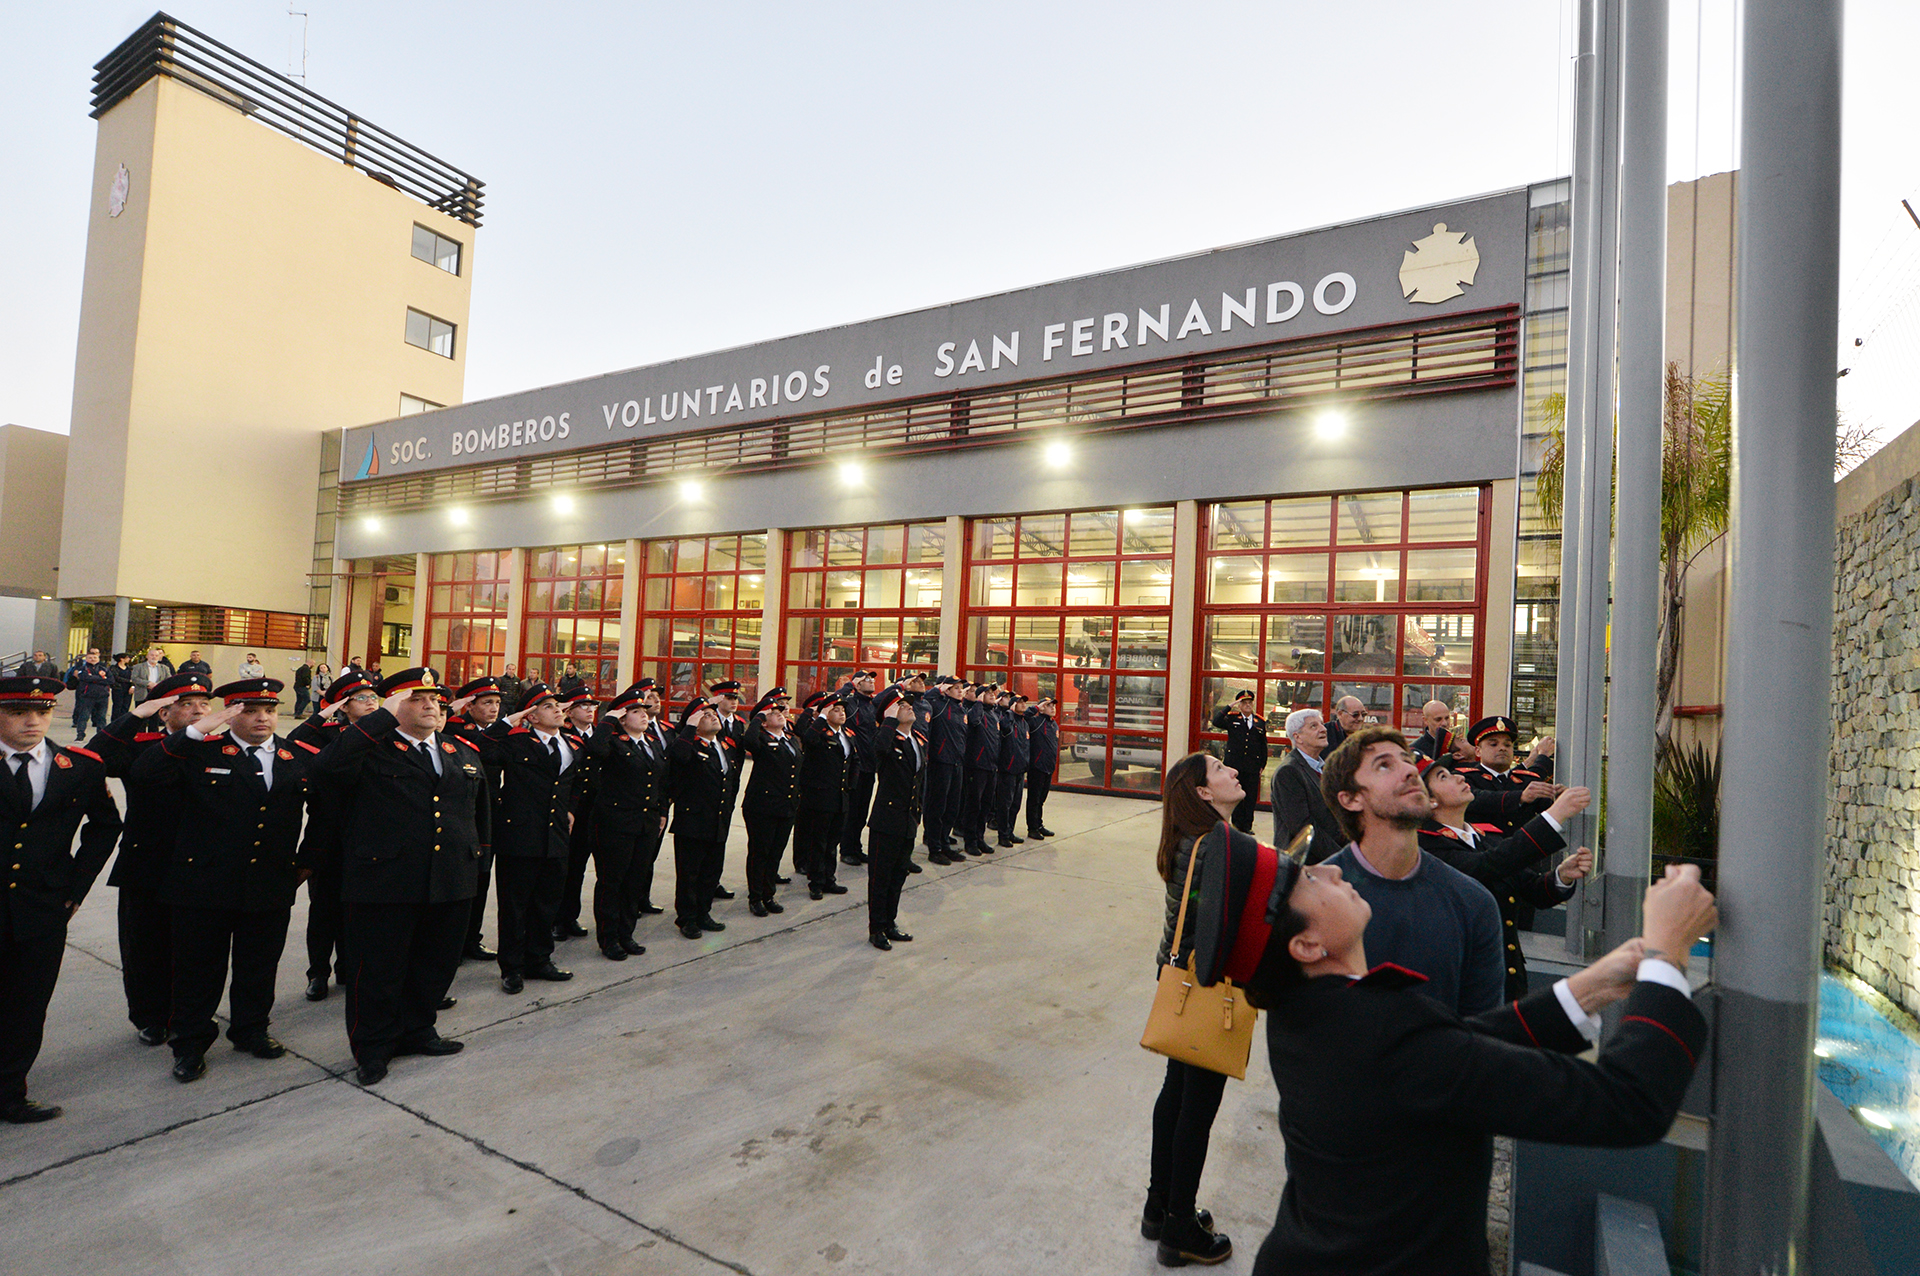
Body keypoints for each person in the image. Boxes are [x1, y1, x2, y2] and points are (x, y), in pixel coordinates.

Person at [1185, 821, 1715, 1275]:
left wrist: (1593, 985)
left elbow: (1455, 1051)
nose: (1332, 869)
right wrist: (1667, 954)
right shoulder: (1382, 1034)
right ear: (1306, 945)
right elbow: (1625, 1103)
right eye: (1307, 877)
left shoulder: (1310, 1011)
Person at [133, 677, 315, 1083]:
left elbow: (325, 807)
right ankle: (190, 1044)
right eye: (250, 710)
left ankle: (251, 1030)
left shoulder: (294, 755)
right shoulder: (200, 751)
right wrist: (198, 729)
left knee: (259, 965)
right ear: (231, 713)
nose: (262, 718)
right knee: (198, 969)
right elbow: (145, 771)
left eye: (269, 710)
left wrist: (308, 859)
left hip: (268, 882)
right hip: (203, 882)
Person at [312, 668, 487, 1084]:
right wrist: (380, 719)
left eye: (435, 699)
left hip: (448, 877)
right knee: (378, 970)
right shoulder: (368, 748)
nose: (431, 705)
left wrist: (477, 860)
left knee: (434, 963)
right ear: (393, 706)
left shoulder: (458, 749)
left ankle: (417, 1029)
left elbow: (478, 813)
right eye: (417, 698)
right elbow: (323, 770)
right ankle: (372, 1046)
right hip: (386, 880)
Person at [0, 675, 123, 1123]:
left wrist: (74, 888)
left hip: (43, 907)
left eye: (43, 712)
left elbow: (106, 825)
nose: (33, 722)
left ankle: (11, 1092)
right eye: (18, 713)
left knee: (28, 1005)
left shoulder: (80, 765)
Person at [1318, 726, 1504, 1017]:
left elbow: (1482, 1032)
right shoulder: (1314, 899)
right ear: (1351, 799)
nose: (1408, 771)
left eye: (1406, 760)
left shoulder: (1473, 902)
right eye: (1384, 765)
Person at [1140, 752, 1239, 1267]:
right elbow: (1218, 926)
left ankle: (1160, 1206)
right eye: (1221, 770)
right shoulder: (1220, 844)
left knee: (1175, 1095)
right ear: (1203, 792)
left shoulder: (1191, 837)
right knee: (1195, 1108)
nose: (1235, 772)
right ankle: (1179, 1227)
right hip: (1205, 986)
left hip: (1176, 977)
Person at [85, 671, 215, 1046]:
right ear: (164, 714)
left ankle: (185, 1014)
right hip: (148, 861)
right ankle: (150, 1016)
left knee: (193, 947)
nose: (196, 711)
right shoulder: (142, 747)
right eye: (185, 705)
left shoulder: (217, 746)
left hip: (200, 862)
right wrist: (134, 715)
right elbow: (98, 756)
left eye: (203, 704)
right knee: (145, 945)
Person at [1420, 760, 1594, 1000]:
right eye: (1443, 777)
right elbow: (1485, 867)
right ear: (1430, 801)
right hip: (1467, 987)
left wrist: (1561, 876)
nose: (1459, 777)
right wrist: (1554, 816)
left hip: (1508, 977)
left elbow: (1532, 890)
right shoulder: (1427, 847)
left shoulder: (1482, 836)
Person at [483, 682, 580, 992]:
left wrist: (572, 808)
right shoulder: (516, 743)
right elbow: (482, 748)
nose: (559, 711)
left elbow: (576, 782)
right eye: (550, 707)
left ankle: (540, 959)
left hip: (555, 836)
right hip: (520, 835)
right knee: (515, 906)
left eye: (560, 706)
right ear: (532, 716)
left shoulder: (571, 744)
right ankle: (512, 967)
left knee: (546, 903)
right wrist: (506, 722)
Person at [289, 670, 379, 1000]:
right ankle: (318, 973)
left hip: (368, 837)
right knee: (323, 909)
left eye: (374, 698)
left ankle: (348, 968)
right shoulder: (326, 736)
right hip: (327, 836)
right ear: (344, 705)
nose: (371, 703)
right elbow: (292, 744)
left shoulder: (383, 736)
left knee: (358, 910)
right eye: (361, 699)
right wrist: (322, 713)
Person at [581, 684, 666, 960]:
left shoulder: (651, 742)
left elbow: (660, 781)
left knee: (634, 880)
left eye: (644, 711)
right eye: (636, 711)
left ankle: (626, 933)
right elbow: (594, 748)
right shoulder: (613, 743)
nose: (644, 715)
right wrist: (607, 718)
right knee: (612, 881)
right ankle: (608, 938)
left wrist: (660, 810)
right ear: (622, 717)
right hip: (616, 822)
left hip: (646, 822)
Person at [442, 676, 507, 962]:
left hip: (489, 811)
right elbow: (480, 746)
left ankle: (472, 938)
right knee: (459, 881)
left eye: (497, 703)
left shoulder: (499, 730)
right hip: (461, 812)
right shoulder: (455, 727)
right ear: (470, 705)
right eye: (487, 703)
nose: (494, 709)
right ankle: (452, 943)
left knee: (482, 877)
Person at [669, 699, 737, 939]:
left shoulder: (723, 745)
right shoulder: (688, 745)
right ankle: (687, 918)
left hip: (718, 818)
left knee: (711, 870)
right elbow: (678, 757)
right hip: (693, 820)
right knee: (690, 873)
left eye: (713, 713)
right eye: (705, 715)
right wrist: (688, 728)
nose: (713, 717)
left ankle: (703, 912)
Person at [865, 685, 925, 950]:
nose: (909, 707)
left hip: (908, 819)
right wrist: (889, 720)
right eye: (902, 705)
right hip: (886, 819)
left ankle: (890, 922)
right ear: (889, 713)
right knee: (881, 877)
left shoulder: (917, 739)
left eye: (909, 705)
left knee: (898, 875)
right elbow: (877, 750)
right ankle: (876, 927)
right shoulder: (886, 739)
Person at [794, 691, 855, 898]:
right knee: (818, 842)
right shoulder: (818, 732)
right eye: (835, 710)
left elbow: (853, 762)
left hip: (840, 797)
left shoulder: (846, 734)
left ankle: (830, 878)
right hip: (821, 796)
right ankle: (816, 882)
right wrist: (821, 716)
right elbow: (808, 739)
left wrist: (850, 787)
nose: (841, 714)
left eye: (843, 710)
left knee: (832, 842)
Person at [1456, 715, 1561, 834]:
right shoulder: (1464, 777)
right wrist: (1520, 797)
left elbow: (1550, 814)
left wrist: (1558, 797)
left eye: (1507, 745)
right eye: (1493, 744)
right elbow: (1477, 799)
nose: (1502, 749)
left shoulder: (1525, 780)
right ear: (1478, 751)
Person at [553, 688, 601, 942]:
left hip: (597, 810)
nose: (590, 710)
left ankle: (571, 916)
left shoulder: (601, 736)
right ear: (569, 712)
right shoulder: (564, 734)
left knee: (581, 867)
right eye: (584, 706)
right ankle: (559, 918)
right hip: (573, 810)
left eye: (592, 706)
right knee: (566, 867)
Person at [1269, 708, 1345, 864]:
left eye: (1322, 724)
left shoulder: (1323, 768)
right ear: (1298, 737)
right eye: (1313, 726)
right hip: (1306, 865)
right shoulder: (1289, 772)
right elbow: (1304, 829)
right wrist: (1342, 858)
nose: (1323, 729)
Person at [919, 677, 967, 863]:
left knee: (952, 807)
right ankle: (935, 848)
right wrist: (939, 688)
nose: (959, 691)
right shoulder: (936, 705)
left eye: (961, 688)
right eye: (955, 688)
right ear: (946, 690)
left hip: (957, 763)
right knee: (936, 807)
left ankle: (945, 843)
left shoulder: (960, 709)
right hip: (941, 763)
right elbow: (927, 697)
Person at [1209, 690, 1268, 833]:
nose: (1247, 705)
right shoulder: (1232, 719)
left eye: (1249, 703)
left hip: (1252, 766)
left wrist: (1262, 765)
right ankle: (1237, 825)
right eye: (1244, 703)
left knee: (1250, 797)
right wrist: (1229, 706)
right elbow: (1216, 721)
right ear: (1240, 706)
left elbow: (1263, 745)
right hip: (1234, 765)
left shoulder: (1259, 721)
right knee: (1235, 796)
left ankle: (1247, 826)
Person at [838, 670, 879, 865]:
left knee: (862, 811)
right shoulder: (852, 704)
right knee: (852, 811)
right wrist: (849, 686)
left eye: (872, 679)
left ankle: (856, 847)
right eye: (866, 680)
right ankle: (846, 849)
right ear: (857, 684)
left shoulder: (872, 705)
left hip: (870, 766)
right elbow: (836, 700)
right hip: (856, 766)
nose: (871, 682)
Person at [960, 681, 1001, 857]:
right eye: (988, 693)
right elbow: (973, 722)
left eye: (993, 693)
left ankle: (980, 837)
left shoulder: (994, 714)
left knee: (985, 806)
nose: (993, 695)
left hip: (991, 766)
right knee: (974, 805)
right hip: (977, 766)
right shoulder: (975, 712)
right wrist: (978, 702)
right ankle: (970, 841)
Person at [995, 691, 1031, 848]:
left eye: (1024, 703)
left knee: (1015, 804)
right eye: (1020, 702)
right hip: (1007, 769)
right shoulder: (1007, 720)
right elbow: (1003, 727)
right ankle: (1002, 834)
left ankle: (1010, 831)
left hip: (1020, 769)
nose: (1024, 705)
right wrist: (1010, 710)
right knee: (1005, 803)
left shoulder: (1024, 723)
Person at [1025, 696, 1060, 839]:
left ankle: (1039, 824)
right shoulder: (1035, 722)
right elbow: (1024, 716)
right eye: (1048, 705)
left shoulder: (1053, 724)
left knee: (1041, 799)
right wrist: (1036, 708)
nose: (1052, 708)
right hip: (1037, 767)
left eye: (1053, 705)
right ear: (1041, 708)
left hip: (1048, 767)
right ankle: (1032, 828)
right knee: (1034, 799)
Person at [67, 648, 113, 737]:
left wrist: (93, 678)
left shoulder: (105, 669)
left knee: (102, 717)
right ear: (87, 659)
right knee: (84, 716)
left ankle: (101, 735)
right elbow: (84, 677)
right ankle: (80, 734)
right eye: (90, 658)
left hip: (103, 696)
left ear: (98, 658)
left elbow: (111, 680)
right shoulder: (82, 668)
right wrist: (101, 679)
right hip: (87, 696)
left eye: (95, 657)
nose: (93, 659)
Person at [109, 653, 134, 720]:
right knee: (117, 706)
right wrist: (129, 681)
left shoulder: (129, 668)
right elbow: (116, 678)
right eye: (127, 658)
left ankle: (123, 721)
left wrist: (132, 685)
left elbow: (134, 678)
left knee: (126, 706)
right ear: (122, 659)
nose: (129, 659)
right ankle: (115, 722)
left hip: (128, 689)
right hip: (118, 688)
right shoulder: (114, 668)